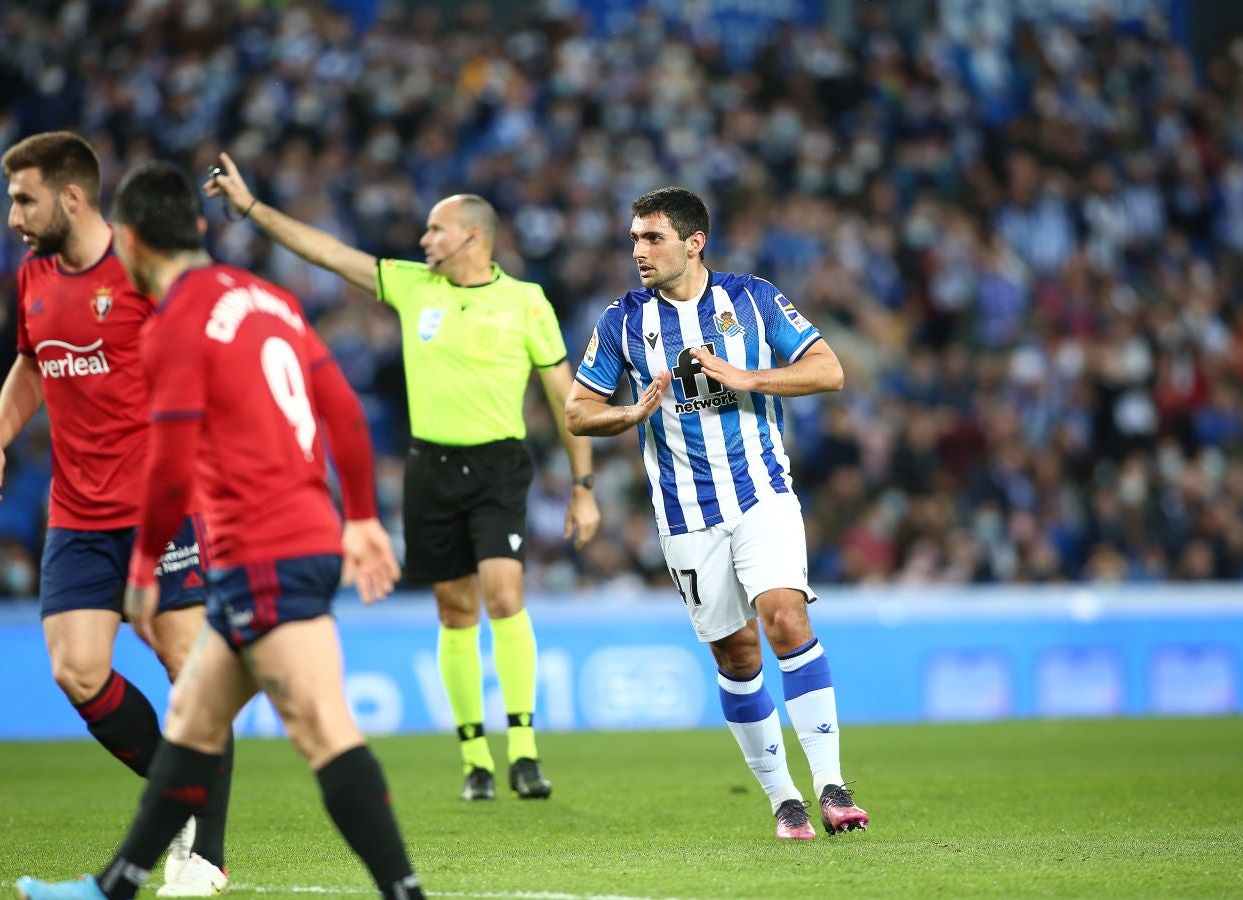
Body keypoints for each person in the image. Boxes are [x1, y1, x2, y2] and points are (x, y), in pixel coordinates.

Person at [17, 161, 424, 899]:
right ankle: (111, 888)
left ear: (132, 243)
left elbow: (169, 468)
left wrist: (141, 571)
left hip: (267, 548)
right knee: (194, 719)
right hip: (291, 538)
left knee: (324, 729)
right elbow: (345, 412)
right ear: (201, 228)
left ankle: (406, 892)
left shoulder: (174, 321)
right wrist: (361, 516)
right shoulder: (268, 298)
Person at [204, 153, 600, 801]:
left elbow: (567, 401)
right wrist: (250, 210)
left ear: (472, 236)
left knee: (504, 594)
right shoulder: (413, 286)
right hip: (430, 469)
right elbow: (328, 253)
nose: (424, 240)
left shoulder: (527, 303)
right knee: (454, 610)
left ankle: (524, 751)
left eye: (435, 230)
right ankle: (476, 759)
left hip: (499, 465)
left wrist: (583, 489)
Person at [564, 187, 869, 840]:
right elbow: (575, 410)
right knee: (736, 654)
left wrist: (749, 376)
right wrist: (625, 415)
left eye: (652, 238)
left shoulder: (752, 299)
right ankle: (785, 799)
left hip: (762, 493)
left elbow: (829, 369)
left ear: (693, 242)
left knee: (784, 616)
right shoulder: (622, 320)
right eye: (635, 239)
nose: (639, 251)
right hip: (684, 516)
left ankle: (832, 784)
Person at [0, 132, 232, 894]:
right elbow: (32, 361)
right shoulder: (33, 278)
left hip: (162, 507)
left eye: (24, 198)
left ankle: (206, 854)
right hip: (78, 512)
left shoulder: (146, 268)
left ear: (71, 196)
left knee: (190, 667)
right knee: (77, 670)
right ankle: (176, 799)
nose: (12, 213)